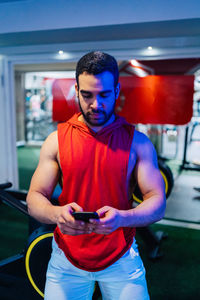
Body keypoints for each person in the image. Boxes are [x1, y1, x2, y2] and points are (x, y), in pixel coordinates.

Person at [27, 51, 166, 300]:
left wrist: (123, 218)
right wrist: (56, 214)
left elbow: (157, 203)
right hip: (66, 259)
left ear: (116, 90)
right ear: (77, 89)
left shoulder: (138, 143)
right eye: (87, 95)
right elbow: (35, 198)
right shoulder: (56, 141)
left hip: (121, 257)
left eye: (104, 95)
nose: (96, 104)